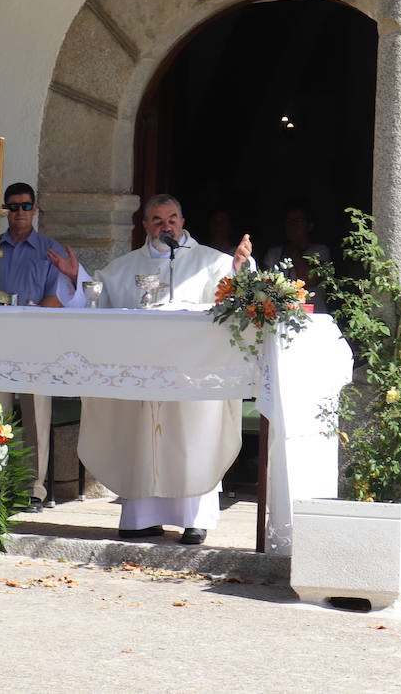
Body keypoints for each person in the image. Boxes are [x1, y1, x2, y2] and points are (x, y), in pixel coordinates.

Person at [51, 193, 253, 545]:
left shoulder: (211, 261)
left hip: (192, 375)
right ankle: (142, 518)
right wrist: (76, 275)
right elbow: (97, 295)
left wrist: (238, 271)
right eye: (158, 220)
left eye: (172, 218)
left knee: (192, 442)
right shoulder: (125, 266)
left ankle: (194, 519)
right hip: (145, 376)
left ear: (183, 221)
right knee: (142, 442)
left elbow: (238, 297)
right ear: (145, 225)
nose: (166, 226)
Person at [0, 182, 75, 511]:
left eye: (25, 206)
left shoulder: (48, 249)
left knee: (35, 415)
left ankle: (33, 489)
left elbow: (57, 298)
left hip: (35, 342)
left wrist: (27, 322)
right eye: (13, 207)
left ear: (35, 209)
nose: (18, 213)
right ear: (4, 210)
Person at [261, 205, 331, 313]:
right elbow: (263, 287)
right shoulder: (273, 254)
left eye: (297, 221)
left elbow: (309, 280)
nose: (292, 225)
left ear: (309, 226)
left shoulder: (320, 252)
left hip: (313, 318)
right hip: (279, 317)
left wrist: (294, 252)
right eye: (289, 221)